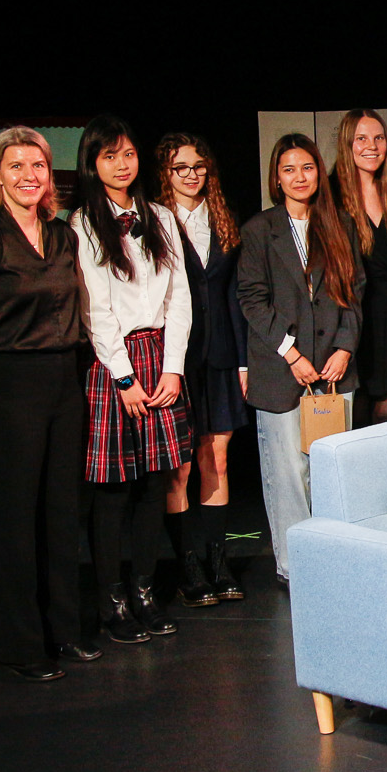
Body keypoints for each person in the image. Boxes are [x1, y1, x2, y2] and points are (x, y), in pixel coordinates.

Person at [0, 127, 90, 682]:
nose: (30, 175)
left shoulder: (63, 236)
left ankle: (64, 631)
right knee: (13, 524)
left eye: (38, 166)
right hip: (7, 387)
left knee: (60, 515)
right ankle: (22, 646)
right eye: (17, 166)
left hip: (63, 383)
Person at [71, 115, 194, 643]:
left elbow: (181, 298)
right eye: (109, 156)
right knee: (113, 490)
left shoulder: (160, 216)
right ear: (92, 164)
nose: (122, 164)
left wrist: (173, 367)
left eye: (128, 154)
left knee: (154, 484)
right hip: (113, 364)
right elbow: (95, 309)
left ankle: (144, 591)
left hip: (160, 356)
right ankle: (111, 600)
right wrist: (124, 379)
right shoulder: (83, 222)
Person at [237, 133, 363, 581]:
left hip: (333, 370)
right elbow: (252, 299)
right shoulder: (259, 229)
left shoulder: (340, 224)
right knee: (287, 473)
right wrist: (291, 353)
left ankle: (330, 559)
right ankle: (294, 567)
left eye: (307, 168)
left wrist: (345, 347)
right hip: (281, 370)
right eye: (289, 169)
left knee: (329, 470)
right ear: (277, 177)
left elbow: (355, 290)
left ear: (318, 173)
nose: (299, 177)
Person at [155, 132, 251, 607]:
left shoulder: (222, 217)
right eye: (181, 167)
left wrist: (243, 360)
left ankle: (218, 562)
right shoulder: (155, 221)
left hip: (221, 355)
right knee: (181, 465)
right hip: (176, 359)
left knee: (218, 458)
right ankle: (188, 567)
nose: (191, 175)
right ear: (166, 173)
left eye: (198, 166)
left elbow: (234, 296)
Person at [334, 110, 387, 427]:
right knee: (354, 416)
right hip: (351, 314)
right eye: (361, 138)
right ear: (347, 143)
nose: (371, 146)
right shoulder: (330, 195)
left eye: (378, 138)